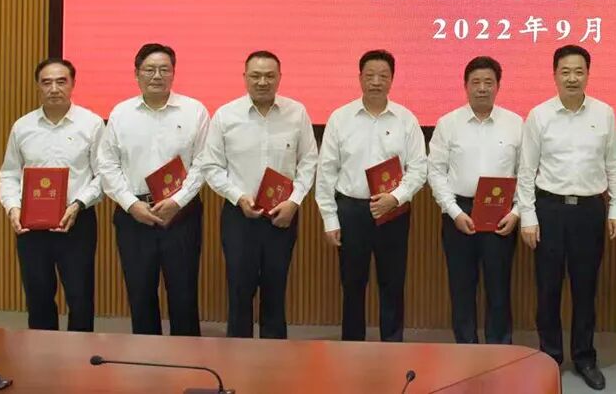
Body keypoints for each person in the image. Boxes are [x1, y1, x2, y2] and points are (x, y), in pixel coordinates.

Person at [518, 45, 616, 391]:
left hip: (590, 211)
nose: (572, 78)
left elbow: (615, 165)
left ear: (588, 75)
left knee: (585, 288)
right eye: (565, 71)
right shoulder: (539, 115)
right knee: (548, 288)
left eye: (579, 71)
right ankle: (549, 356)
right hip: (549, 210)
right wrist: (528, 216)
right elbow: (526, 171)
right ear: (554, 75)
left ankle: (584, 357)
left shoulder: (604, 113)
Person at [198, 51, 317, 338]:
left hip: (282, 216)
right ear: (245, 78)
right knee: (239, 291)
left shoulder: (297, 113)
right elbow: (211, 166)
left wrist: (294, 201)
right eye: (255, 76)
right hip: (239, 216)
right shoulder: (226, 115)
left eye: (269, 76)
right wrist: (238, 196)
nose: (262, 82)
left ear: (279, 78)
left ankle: (274, 356)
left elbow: (309, 160)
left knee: (276, 290)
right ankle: (238, 354)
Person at [316, 49, 428, 342]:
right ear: (359, 78)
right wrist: (330, 219)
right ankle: (352, 346)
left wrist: (397, 197)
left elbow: (419, 168)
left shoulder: (406, 119)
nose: (376, 82)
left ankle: (392, 344)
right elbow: (326, 171)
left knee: (393, 283)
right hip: (352, 210)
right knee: (352, 284)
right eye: (370, 76)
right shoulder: (340, 118)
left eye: (383, 76)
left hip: (393, 211)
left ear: (392, 79)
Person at [98, 43, 209, 335]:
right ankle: (146, 355)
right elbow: (107, 165)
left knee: (184, 293)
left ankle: (187, 354)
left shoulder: (194, 111)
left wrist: (178, 201)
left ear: (173, 73)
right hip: (134, 214)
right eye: (149, 69)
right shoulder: (121, 113)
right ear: (136, 74)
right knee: (140, 292)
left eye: (164, 69)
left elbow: (203, 162)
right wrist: (131, 205)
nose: (157, 76)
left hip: (181, 214)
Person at [0, 57, 103, 331]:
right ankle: (43, 352)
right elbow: (9, 173)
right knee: (38, 297)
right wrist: (13, 208)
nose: (54, 88)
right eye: (46, 82)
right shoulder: (23, 127)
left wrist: (78, 204)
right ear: (38, 86)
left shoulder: (92, 124)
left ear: (72, 84)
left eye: (61, 81)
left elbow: (102, 175)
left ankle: (80, 353)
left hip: (77, 221)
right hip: (30, 226)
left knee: (80, 297)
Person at [428, 56, 522, 344]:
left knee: (499, 286)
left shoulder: (516, 124)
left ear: (498, 86)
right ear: (465, 85)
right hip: (459, 212)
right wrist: (454, 211)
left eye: (488, 82)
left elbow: (527, 173)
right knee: (461, 286)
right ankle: (466, 347)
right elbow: (436, 172)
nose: (482, 88)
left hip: (501, 215)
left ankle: (499, 348)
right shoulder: (448, 124)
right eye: (476, 82)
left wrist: (516, 212)